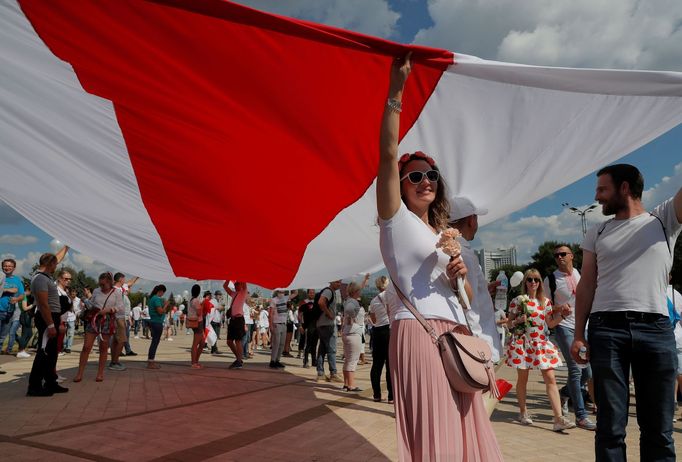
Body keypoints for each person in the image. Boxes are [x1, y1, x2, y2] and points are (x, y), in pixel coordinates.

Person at [377, 53, 502, 461]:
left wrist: (459, 275)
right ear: (401, 184)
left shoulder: (443, 233)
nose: (424, 181)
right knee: (436, 433)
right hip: (418, 332)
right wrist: (397, 89)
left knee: (467, 428)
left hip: (457, 331)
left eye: (431, 176)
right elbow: (386, 153)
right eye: (414, 176)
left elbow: (463, 296)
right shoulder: (395, 221)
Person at [571, 164, 682, 461]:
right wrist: (578, 334)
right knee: (610, 426)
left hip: (656, 329)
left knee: (659, 428)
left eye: (602, 189)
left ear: (624, 188)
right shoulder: (598, 231)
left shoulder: (663, 218)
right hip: (606, 329)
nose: (597, 196)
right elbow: (586, 286)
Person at [505, 269, 576, 431]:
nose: (533, 282)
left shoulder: (545, 302)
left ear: (539, 282)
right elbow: (509, 324)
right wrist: (517, 321)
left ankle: (558, 419)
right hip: (523, 343)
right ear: (525, 283)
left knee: (550, 378)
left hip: (540, 343)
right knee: (523, 378)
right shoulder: (518, 300)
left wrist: (563, 316)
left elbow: (550, 324)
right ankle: (523, 412)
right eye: (529, 279)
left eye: (536, 279)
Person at [542, 244, 596, 430]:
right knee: (575, 369)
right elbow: (545, 306)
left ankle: (565, 393)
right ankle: (581, 416)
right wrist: (559, 309)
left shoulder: (581, 274)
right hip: (564, 326)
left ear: (572, 256)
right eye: (556, 255)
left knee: (588, 372)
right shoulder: (550, 279)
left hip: (584, 326)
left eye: (563, 254)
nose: (559, 257)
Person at [448, 197, 502, 363]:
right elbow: (468, 306)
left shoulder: (452, 249)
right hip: (479, 341)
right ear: (471, 220)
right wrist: (480, 345)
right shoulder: (462, 253)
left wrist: (483, 288)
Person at [27, 250, 70, 396]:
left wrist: (67, 246)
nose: (56, 267)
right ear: (49, 264)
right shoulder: (40, 279)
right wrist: (51, 325)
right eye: (55, 264)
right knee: (44, 352)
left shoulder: (45, 276)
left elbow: (55, 257)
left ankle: (51, 383)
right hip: (47, 318)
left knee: (51, 353)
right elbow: (43, 304)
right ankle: (34, 386)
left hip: (52, 316)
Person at [73, 272, 123, 382]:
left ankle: (100, 373)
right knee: (86, 347)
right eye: (100, 284)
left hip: (107, 320)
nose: (101, 287)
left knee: (103, 348)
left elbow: (120, 306)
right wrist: (87, 302)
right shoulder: (96, 291)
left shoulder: (117, 292)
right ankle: (80, 373)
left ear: (110, 283)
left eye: (103, 284)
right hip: (94, 319)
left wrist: (110, 310)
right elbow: (91, 302)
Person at [368, 276, 393, 403]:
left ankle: (376, 394)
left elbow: (374, 319)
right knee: (390, 364)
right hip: (389, 330)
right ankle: (391, 396)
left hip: (377, 332)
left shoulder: (373, 301)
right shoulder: (390, 296)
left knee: (377, 364)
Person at [109, 273, 138, 370]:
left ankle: (113, 361)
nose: (125, 281)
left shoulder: (120, 288)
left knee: (116, 341)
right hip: (118, 318)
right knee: (122, 340)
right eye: (124, 279)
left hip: (119, 317)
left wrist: (137, 276)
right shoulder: (114, 290)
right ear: (120, 279)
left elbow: (130, 283)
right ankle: (115, 362)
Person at [316, 280, 343, 383]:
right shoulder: (329, 291)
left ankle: (320, 373)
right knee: (331, 349)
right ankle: (333, 373)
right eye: (337, 282)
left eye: (340, 282)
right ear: (331, 282)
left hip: (322, 324)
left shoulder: (330, 292)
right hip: (327, 324)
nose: (339, 284)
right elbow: (321, 302)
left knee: (322, 349)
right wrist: (329, 314)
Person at [341, 282, 365, 392]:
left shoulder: (347, 300)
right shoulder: (353, 301)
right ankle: (351, 385)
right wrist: (352, 317)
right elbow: (350, 310)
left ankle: (346, 383)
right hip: (353, 332)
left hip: (347, 332)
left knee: (348, 359)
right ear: (356, 291)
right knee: (353, 360)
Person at [0, 259, 26, 356]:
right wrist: (7, 290)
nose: (7, 268)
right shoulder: (0, 277)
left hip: (9, 312)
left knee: (2, 339)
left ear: (14, 268)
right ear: (2, 267)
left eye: (10, 266)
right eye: (5, 266)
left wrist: (16, 299)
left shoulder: (17, 280)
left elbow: (22, 295)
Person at [268, 289, 297, 369]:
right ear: (277, 292)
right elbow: (270, 313)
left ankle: (277, 360)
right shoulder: (274, 300)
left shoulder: (285, 298)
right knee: (276, 343)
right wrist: (270, 325)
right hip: (276, 323)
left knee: (282, 344)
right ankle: (272, 361)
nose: (281, 293)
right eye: (280, 292)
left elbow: (295, 293)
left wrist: (294, 285)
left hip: (284, 324)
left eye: (283, 292)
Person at [224, 281, 247, 369]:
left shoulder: (243, 292)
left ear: (241, 285)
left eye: (238, 284)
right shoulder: (233, 294)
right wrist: (228, 277)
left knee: (238, 341)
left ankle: (239, 361)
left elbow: (245, 283)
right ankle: (238, 358)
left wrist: (241, 274)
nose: (236, 285)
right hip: (233, 320)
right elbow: (225, 286)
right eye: (235, 284)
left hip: (239, 319)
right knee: (229, 341)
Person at [147, 285, 169, 370]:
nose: (163, 295)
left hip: (154, 322)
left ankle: (151, 361)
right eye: (163, 292)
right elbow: (160, 311)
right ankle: (151, 362)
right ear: (160, 291)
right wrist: (166, 305)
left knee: (154, 342)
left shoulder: (152, 298)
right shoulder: (156, 299)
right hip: (157, 322)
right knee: (155, 343)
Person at [299, 289, 318, 368]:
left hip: (316, 326)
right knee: (307, 344)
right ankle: (305, 361)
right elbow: (299, 315)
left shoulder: (317, 302)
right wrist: (300, 325)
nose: (312, 294)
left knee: (314, 344)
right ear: (307, 293)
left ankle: (314, 361)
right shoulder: (303, 302)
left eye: (313, 293)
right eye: (310, 293)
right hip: (306, 326)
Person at [187, 284, 205, 369]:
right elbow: (199, 312)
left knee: (202, 343)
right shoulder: (196, 301)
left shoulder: (191, 300)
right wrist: (202, 306)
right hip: (198, 322)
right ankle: (193, 363)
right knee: (195, 344)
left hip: (194, 323)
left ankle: (196, 361)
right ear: (198, 292)